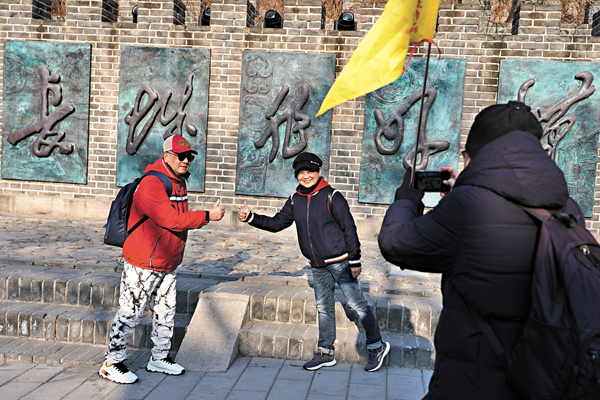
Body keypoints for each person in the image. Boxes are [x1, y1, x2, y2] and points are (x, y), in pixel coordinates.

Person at [378, 101, 578, 399]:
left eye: (466, 154)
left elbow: (395, 244)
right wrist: (468, 191)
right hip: (539, 370)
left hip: (473, 376)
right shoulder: (565, 205)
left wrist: (407, 197)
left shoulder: (468, 206)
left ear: (479, 152)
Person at [238, 152, 390, 372]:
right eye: (301, 172)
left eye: (310, 171)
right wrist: (251, 217)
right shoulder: (295, 199)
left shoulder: (332, 196)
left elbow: (349, 228)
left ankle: (377, 346)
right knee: (324, 308)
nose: (306, 175)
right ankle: (326, 353)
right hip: (317, 264)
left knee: (357, 304)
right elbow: (277, 223)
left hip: (340, 262)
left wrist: (355, 260)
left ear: (319, 171)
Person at [99, 134, 225, 384]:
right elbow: (171, 220)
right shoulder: (152, 184)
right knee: (131, 311)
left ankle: (159, 357)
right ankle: (111, 362)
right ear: (166, 156)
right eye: (180, 156)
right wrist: (206, 216)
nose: (185, 160)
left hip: (167, 261)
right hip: (143, 262)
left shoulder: (178, 182)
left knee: (165, 312)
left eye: (189, 157)